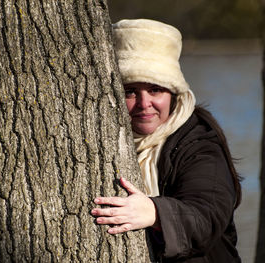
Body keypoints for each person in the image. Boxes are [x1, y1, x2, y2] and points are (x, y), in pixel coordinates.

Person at [91, 19, 242, 262]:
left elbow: (207, 216)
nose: (143, 104)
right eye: (130, 91)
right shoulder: (99, 140)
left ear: (173, 93)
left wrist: (155, 211)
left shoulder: (199, 143)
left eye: (155, 90)